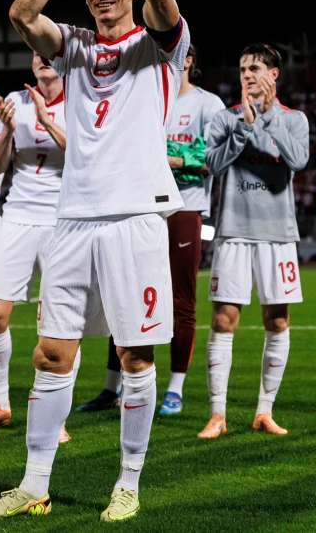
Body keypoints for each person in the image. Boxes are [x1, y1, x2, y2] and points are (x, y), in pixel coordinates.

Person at [0, 0, 189, 522]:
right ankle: (33, 484)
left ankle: (129, 482)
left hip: (134, 217)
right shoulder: (72, 45)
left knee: (134, 355)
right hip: (71, 220)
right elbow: (21, 14)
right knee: (51, 354)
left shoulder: (159, 45)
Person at [77, 44, 224, 417]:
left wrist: (167, 158)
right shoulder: (143, 96)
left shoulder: (208, 105)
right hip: (139, 206)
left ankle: (174, 389)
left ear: (187, 60)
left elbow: (213, 161)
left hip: (185, 207)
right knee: (121, 295)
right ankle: (111, 387)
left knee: (181, 301)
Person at [198, 44, 309, 439]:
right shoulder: (224, 118)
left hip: (278, 235)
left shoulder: (294, 119)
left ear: (273, 74)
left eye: (256, 68)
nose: (247, 74)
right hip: (234, 231)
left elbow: (298, 160)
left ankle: (265, 410)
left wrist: (268, 118)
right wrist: (244, 129)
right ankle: (217, 414)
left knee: (277, 320)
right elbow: (211, 164)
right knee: (223, 320)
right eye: (243, 68)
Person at [0, 53, 74, 439]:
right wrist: (7, 129)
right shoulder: (15, 101)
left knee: (61, 323)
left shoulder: (81, 99)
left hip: (63, 219)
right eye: (36, 53)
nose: (43, 58)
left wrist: (47, 121)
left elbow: (85, 155)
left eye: (50, 52)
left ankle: (55, 414)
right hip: (16, 215)